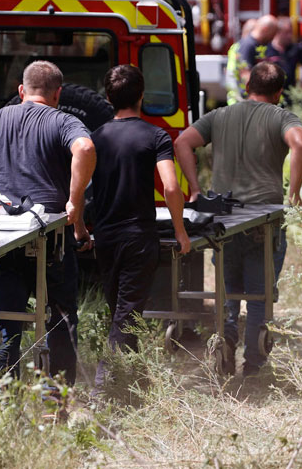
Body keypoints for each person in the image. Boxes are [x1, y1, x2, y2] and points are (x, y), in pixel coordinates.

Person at [0, 61, 96, 383]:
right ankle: (56, 399)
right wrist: (74, 201)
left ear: (20, 91)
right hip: (51, 241)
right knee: (61, 318)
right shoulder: (64, 121)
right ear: (58, 93)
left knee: (6, 322)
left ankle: (1, 397)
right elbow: (84, 147)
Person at [175, 62, 302, 377]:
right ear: (278, 93)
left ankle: (224, 346)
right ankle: (253, 367)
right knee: (259, 293)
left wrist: (194, 189)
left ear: (248, 86)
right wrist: (295, 193)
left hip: (224, 220)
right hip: (263, 221)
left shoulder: (220, 116)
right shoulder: (281, 117)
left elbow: (182, 142)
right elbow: (300, 144)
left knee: (227, 292)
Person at [90, 65, 191, 387]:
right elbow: (172, 188)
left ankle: (133, 383)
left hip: (104, 236)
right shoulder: (156, 136)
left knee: (121, 310)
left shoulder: (95, 138)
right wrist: (180, 229)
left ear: (107, 97)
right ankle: (103, 388)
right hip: (138, 236)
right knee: (127, 313)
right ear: (142, 96)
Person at [264, 17, 302, 103]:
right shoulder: (267, 50)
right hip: (272, 95)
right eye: (287, 32)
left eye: (291, 32)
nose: (290, 36)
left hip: (291, 95)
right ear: (278, 32)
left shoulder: (296, 49)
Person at [235, 15, 279, 98]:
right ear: (265, 29)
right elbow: (245, 73)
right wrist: (256, 97)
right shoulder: (248, 45)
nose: (273, 37)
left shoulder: (260, 45)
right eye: (273, 33)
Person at [224, 18, 258, 106]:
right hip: (240, 98)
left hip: (234, 96)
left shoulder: (236, 46)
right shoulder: (244, 47)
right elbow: (244, 74)